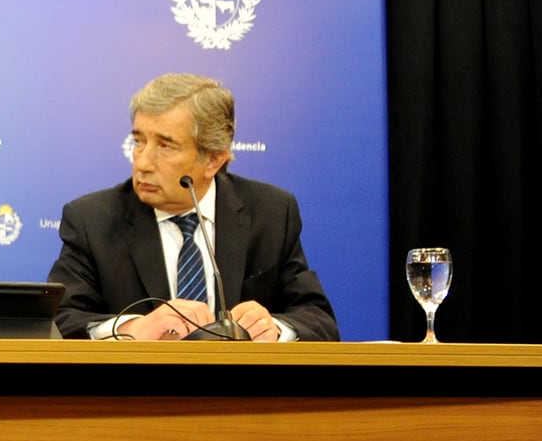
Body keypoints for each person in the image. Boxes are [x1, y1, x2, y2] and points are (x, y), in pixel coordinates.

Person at [47, 72, 338, 341]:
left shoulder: (271, 212)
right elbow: (58, 321)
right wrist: (132, 328)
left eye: (165, 146)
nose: (143, 162)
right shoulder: (92, 220)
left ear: (213, 160)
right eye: (139, 141)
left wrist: (272, 328)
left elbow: (318, 320)